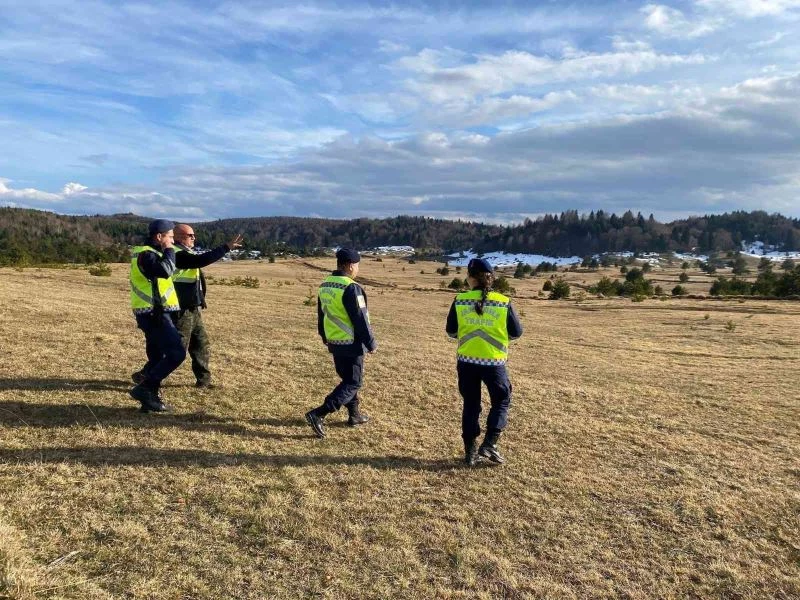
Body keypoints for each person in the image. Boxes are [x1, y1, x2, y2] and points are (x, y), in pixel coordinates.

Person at [132, 224, 243, 388]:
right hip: (180, 311)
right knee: (176, 350)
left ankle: (203, 381)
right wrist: (226, 247)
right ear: (177, 237)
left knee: (201, 344)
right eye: (190, 235)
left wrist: (200, 301)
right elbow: (201, 260)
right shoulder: (177, 254)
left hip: (192, 308)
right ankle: (146, 376)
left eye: (193, 235)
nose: (194, 238)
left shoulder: (184, 253)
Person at [446, 258, 523, 466]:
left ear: (470, 278)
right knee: (501, 401)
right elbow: (516, 333)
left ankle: (470, 451)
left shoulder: (460, 300)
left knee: (471, 405)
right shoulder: (503, 302)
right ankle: (490, 443)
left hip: (466, 361)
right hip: (494, 363)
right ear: (491, 278)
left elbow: (451, 332)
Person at [305, 248, 376, 438]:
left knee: (348, 381)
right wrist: (371, 343)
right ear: (351, 266)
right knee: (354, 382)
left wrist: (323, 335)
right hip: (352, 343)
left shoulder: (325, 285)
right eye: (358, 265)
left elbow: (321, 314)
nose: (358, 269)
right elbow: (360, 318)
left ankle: (355, 415)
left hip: (334, 341)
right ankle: (319, 414)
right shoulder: (351, 287)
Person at [128, 219, 187, 413]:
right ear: (159, 237)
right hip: (154, 313)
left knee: (158, 355)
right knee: (176, 353)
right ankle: (145, 389)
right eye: (170, 237)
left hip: (155, 312)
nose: (172, 240)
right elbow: (165, 270)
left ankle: (149, 399)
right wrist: (169, 249)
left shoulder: (150, 253)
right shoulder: (147, 255)